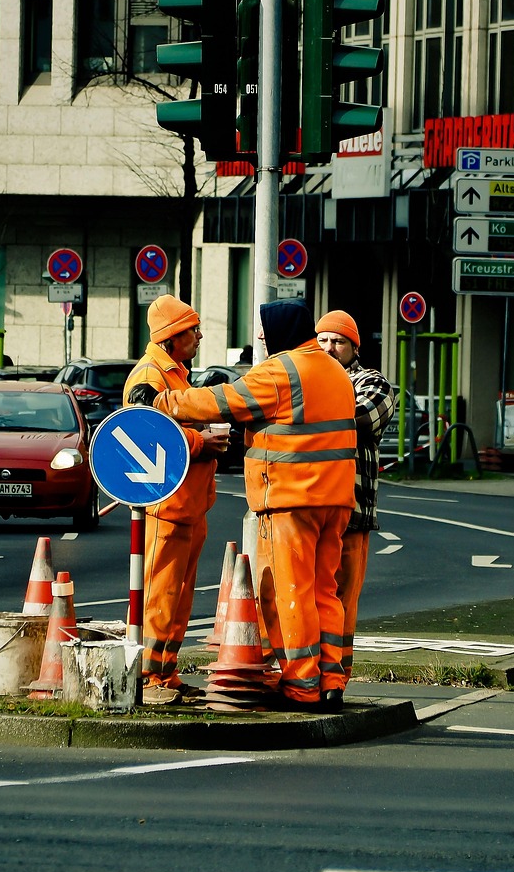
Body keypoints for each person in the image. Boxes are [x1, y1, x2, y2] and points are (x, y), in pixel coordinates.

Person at [153, 299, 357, 712]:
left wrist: (163, 403)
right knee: (325, 591)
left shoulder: (283, 370)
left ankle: (302, 684)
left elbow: (222, 402)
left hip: (292, 499)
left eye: (265, 331)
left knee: (290, 593)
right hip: (335, 499)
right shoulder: (336, 371)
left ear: (281, 332)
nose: (262, 338)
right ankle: (332, 680)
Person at [124, 295, 229, 705]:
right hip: (167, 505)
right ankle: (150, 676)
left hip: (186, 504)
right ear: (171, 338)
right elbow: (143, 434)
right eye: (193, 330)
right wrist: (202, 440)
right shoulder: (149, 376)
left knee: (179, 594)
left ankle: (164, 673)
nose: (200, 336)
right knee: (160, 593)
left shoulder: (174, 375)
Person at [315, 310, 395, 699]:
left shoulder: (372, 382)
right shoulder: (309, 376)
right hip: (309, 508)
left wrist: (308, 410)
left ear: (353, 347)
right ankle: (304, 673)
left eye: (338, 342)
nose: (329, 348)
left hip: (353, 512)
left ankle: (336, 679)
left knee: (342, 598)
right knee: (307, 594)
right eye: (323, 340)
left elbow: (361, 418)